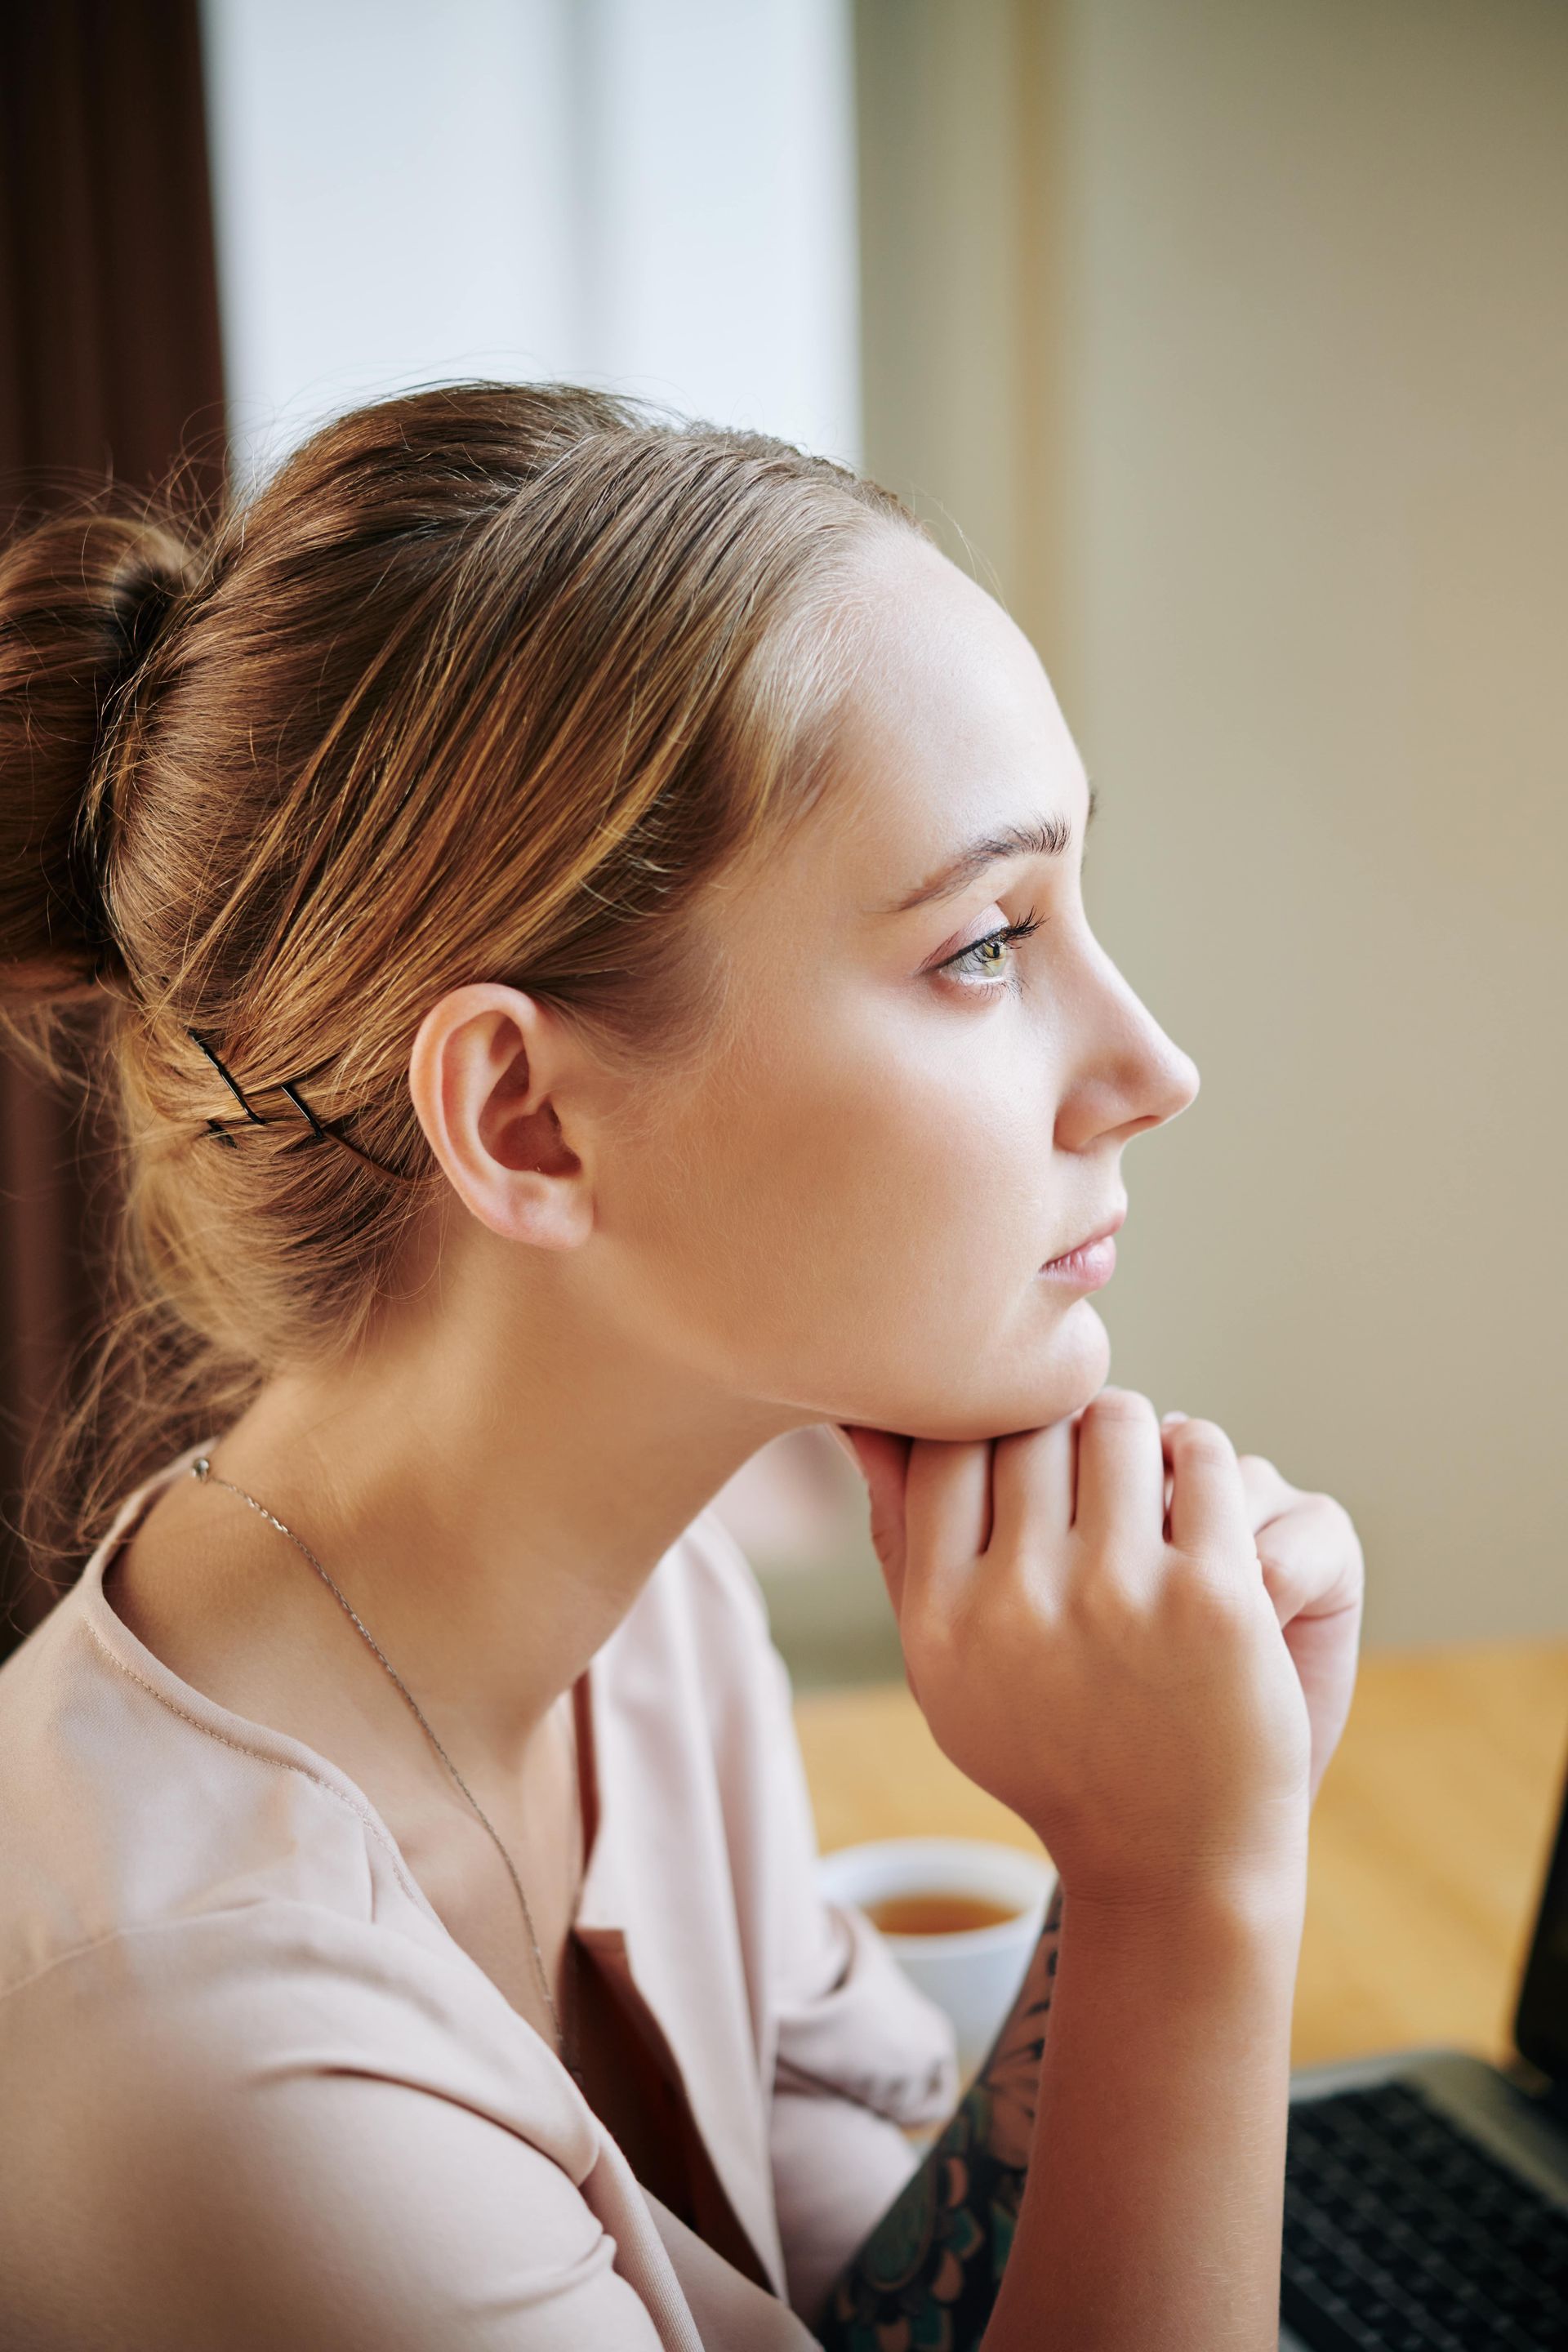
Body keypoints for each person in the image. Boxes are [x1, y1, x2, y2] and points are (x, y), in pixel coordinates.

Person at [0, 383, 1364, 2350]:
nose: (1153, 1068)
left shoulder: (650, 1641)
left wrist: (1159, 1836)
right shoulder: (222, 2071)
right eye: (986, 943)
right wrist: (1186, 1906)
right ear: (530, 1123)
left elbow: (878, 2307)